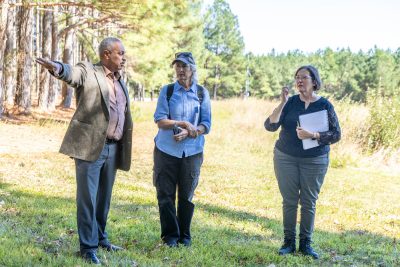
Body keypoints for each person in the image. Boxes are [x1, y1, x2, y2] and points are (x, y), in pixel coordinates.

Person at [36, 37, 133, 264]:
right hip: (90, 147)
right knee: (87, 199)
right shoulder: (89, 71)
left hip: (113, 148)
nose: (124, 59)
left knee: (103, 199)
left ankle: (100, 238)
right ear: (107, 54)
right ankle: (87, 248)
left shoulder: (120, 81)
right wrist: (58, 68)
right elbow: (72, 73)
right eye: (121, 54)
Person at [264, 65, 341, 259]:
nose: (299, 81)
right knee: (289, 201)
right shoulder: (290, 103)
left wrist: (313, 135)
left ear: (314, 81)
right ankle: (288, 242)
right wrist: (282, 102)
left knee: (309, 202)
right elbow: (270, 125)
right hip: (285, 157)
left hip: (315, 160)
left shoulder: (324, 105)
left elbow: (336, 134)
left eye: (304, 77)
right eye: (297, 77)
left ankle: (305, 244)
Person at [153, 52, 211, 247]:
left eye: (184, 66)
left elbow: (206, 124)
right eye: (177, 66)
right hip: (166, 150)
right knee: (165, 194)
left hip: (192, 152)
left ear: (192, 69)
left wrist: (191, 132)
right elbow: (160, 120)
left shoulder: (202, 93)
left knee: (186, 195)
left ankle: (184, 236)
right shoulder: (167, 91)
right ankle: (170, 237)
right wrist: (181, 123)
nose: (180, 70)